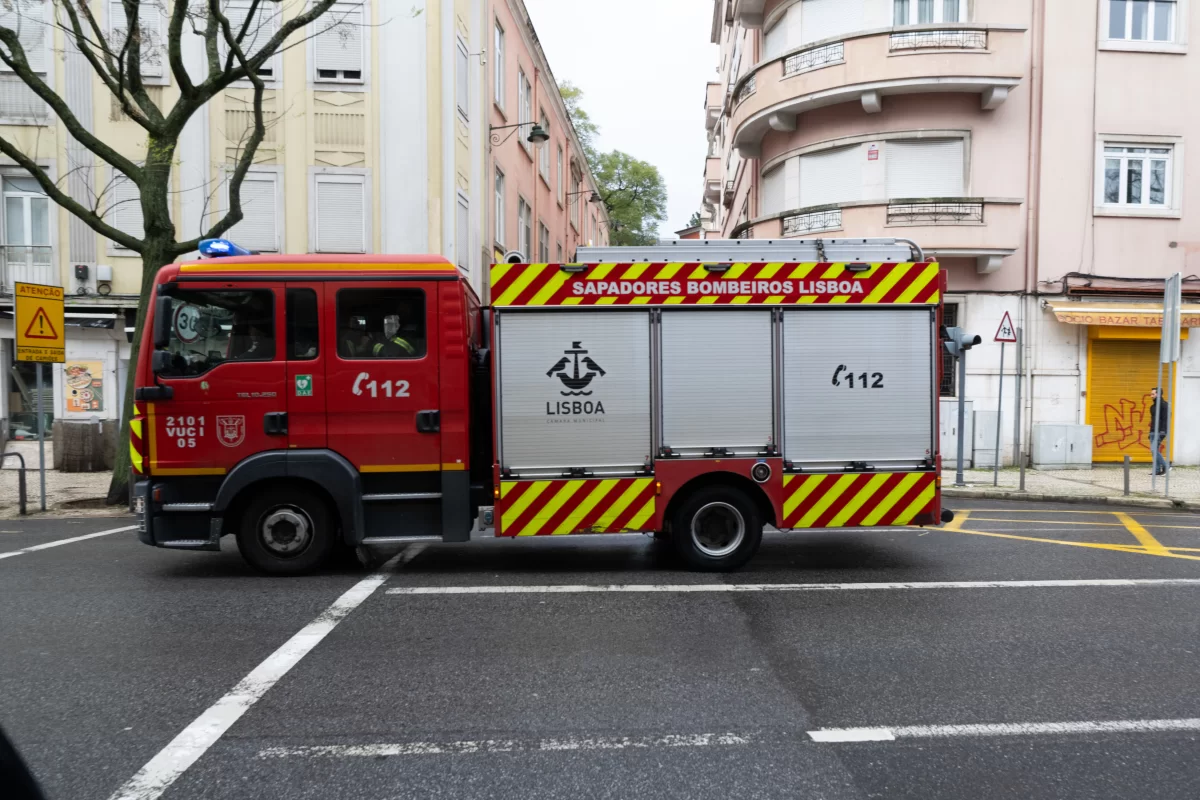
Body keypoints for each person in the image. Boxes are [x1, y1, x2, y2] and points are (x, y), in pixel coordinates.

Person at [1148, 387, 1170, 476]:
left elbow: (1165, 419)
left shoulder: (1164, 405)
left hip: (1160, 431)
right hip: (1153, 431)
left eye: (1153, 394)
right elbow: (1152, 420)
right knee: (1154, 450)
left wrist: (1162, 432)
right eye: (1151, 394)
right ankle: (1157, 470)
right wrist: (1150, 432)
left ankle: (1166, 466)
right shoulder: (1152, 407)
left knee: (1154, 449)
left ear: (1158, 394)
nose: (1151, 396)